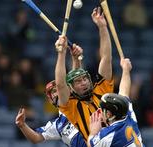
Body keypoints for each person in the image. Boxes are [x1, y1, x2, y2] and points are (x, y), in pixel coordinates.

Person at [55, 7, 114, 140]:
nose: (84, 83)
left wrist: (102, 27)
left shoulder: (101, 90)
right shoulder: (71, 106)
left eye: (85, 79)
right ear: (71, 88)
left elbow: (106, 58)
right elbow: (60, 84)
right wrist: (61, 53)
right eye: (78, 82)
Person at [87, 58, 144, 147]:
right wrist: (126, 70)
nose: (100, 112)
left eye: (103, 110)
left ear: (109, 114)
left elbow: (90, 145)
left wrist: (93, 132)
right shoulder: (128, 114)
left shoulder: (108, 135)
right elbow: (124, 91)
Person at [15, 80, 86, 147]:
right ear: (50, 100)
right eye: (54, 91)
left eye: (60, 89)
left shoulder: (85, 102)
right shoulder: (57, 125)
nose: (59, 92)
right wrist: (22, 125)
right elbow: (36, 138)